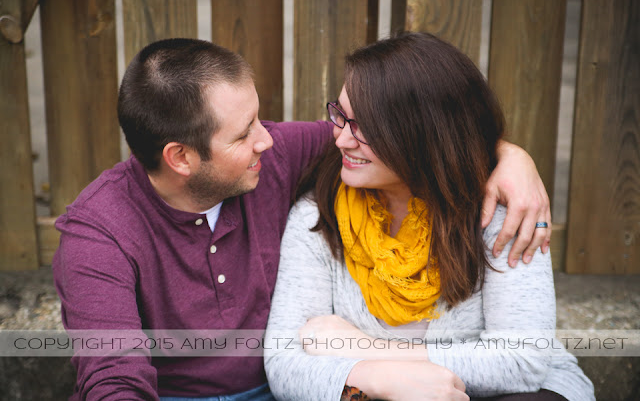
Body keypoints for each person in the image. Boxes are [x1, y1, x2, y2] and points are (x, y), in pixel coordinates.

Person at [53, 37, 552, 400]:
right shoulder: (99, 235)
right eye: (244, 133)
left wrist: (509, 156)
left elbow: (424, 127)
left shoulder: (277, 158)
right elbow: (114, 378)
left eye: (259, 119)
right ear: (180, 158)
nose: (268, 139)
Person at [264, 32, 594, 401]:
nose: (341, 139)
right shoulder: (320, 216)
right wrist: (381, 382)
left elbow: (520, 362)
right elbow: (285, 363)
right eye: (340, 115)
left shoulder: (501, 213)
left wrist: (370, 351)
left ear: (423, 135)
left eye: (364, 127)